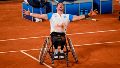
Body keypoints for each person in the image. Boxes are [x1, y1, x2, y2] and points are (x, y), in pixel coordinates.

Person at [23, 2, 97, 59]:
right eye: (59, 5)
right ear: (56, 8)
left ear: (63, 8)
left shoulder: (68, 16)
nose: (61, 5)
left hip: (62, 35)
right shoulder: (51, 15)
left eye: (62, 5)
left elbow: (78, 17)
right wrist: (30, 14)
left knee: (62, 39)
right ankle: (55, 51)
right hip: (53, 35)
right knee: (55, 39)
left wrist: (88, 15)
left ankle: (61, 50)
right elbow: (40, 16)